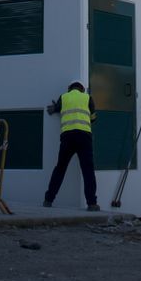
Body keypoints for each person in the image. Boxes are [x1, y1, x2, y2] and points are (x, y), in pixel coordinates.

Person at [43, 81, 99, 212]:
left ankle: (48, 200)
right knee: (88, 171)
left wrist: (55, 108)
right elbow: (93, 118)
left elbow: (55, 109)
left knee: (60, 168)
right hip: (84, 137)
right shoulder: (88, 98)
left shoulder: (63, 97)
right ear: (82, 89)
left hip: (67, 137)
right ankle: (91, 203)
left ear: (70, 89)